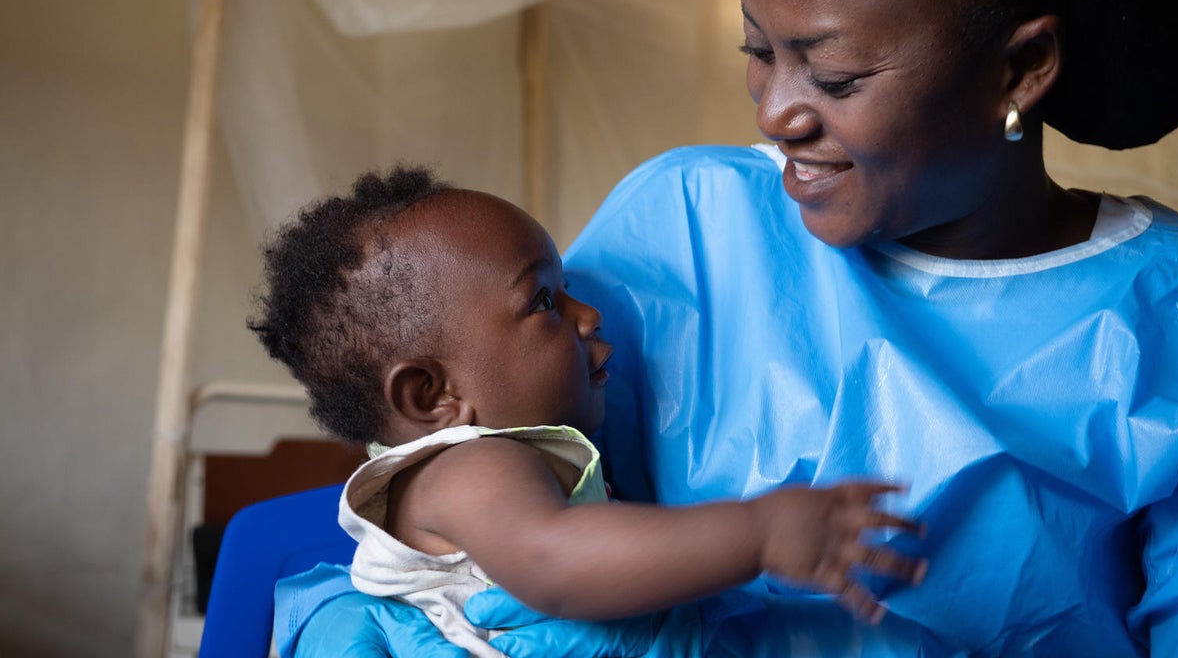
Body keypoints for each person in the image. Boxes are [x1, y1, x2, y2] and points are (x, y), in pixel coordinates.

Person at [272, 0, 1178, 654]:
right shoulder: (685, 225)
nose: (775, 113)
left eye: (833, 75)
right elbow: (469, 489)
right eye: (759, 51)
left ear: (1020, 68)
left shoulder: (1176, 320)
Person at [251, 166, 927, 658]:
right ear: (433, 396)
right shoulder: (474, 464)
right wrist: (758, 534)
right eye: (544, 302)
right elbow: (550, 561)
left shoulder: (497, 458)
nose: (589, 314)